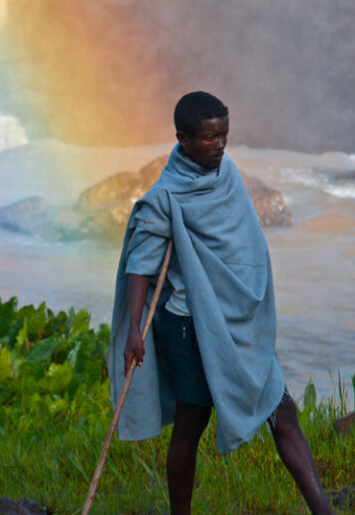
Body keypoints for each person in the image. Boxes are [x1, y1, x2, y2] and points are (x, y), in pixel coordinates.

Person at [106, 91, 333, 515]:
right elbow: (140, 265)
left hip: (238, 322)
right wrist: (134, 329)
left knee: (281, 411)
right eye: (210, 137)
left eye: (225, 134)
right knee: (190, 427)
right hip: (191, 327)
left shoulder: (226, 174)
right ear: (183, 139)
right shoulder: (167, 196)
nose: (221, 145)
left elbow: (242, 242)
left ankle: (324, 511)